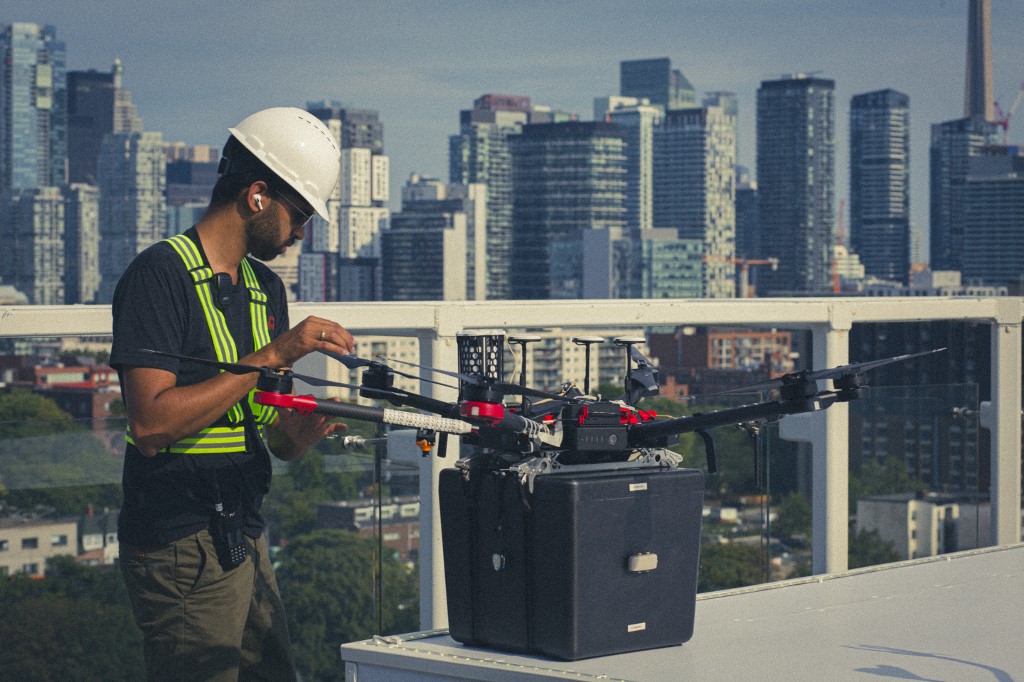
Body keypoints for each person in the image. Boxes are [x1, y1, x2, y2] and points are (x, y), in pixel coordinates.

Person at [110, 107, 355, 681]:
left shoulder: (265, 288)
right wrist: (273, 355)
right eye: (300, 214)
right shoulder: (158, 277)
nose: (301, 233)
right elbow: (150, 425)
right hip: (178, 542)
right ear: (258, 195)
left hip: (240, 527)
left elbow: (273, 437)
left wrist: (302, 430)